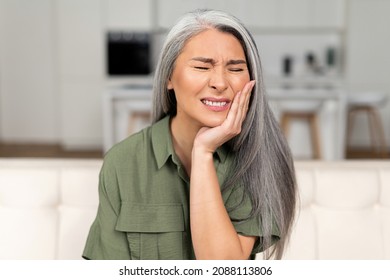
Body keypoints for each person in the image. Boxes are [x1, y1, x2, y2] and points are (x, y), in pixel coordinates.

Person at [83, 9, 296, 260]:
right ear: (169, 77)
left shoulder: (257, 159)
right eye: (202, 67)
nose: (220, 83)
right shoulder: (123, 161)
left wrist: (203, 152)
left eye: (236, 69)